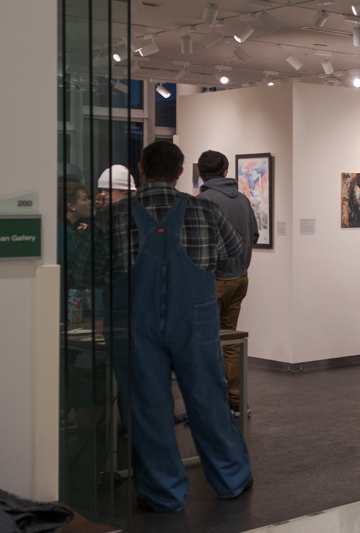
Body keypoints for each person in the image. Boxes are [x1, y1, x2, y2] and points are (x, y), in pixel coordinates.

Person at [74, 141, 252, 513]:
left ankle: (163, 492)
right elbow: (233, 257)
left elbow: (82, 270)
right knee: (208, 400)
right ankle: (231, 479)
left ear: (141, 168)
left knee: (147, 407)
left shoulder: (111, 218)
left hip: (132, 323)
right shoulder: (205, 212)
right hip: (196, 319)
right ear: (179, 171)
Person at [195, 150, 258, 410]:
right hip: (239, 278)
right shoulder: (243, 199)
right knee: (230, 341)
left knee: (204, 343)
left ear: (200, 173)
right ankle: (236, 401)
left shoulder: (203, 201)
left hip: (213, 281)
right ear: (225, 171)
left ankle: (208, 404)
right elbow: (253, 235)